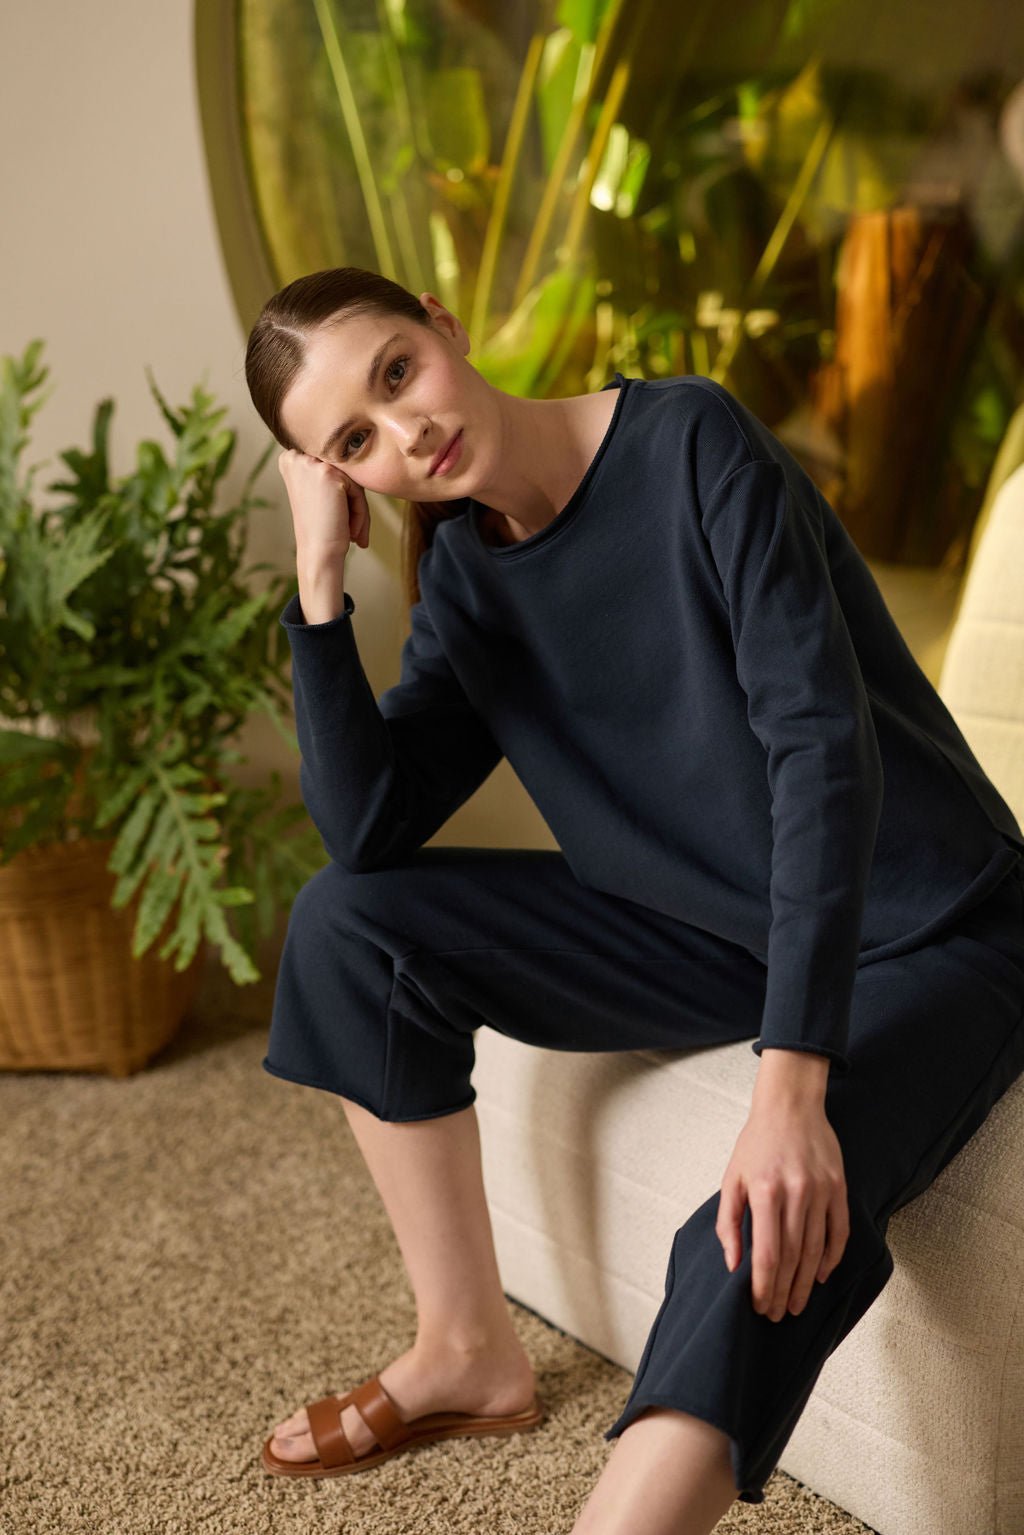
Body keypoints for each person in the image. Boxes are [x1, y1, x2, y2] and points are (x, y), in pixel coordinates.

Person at [244, 266, 1024, 1534]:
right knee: (345, 922)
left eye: (397, 373)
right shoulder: (467, 579)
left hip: (931, 922)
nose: (408, 432)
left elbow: (820, 748)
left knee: (754, 1216)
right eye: (353, 443)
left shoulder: (690, 440)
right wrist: (323, 589)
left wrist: (790, 1083)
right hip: (707, 927)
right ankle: (464, 1346)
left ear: (444, 320)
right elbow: (368, 833)